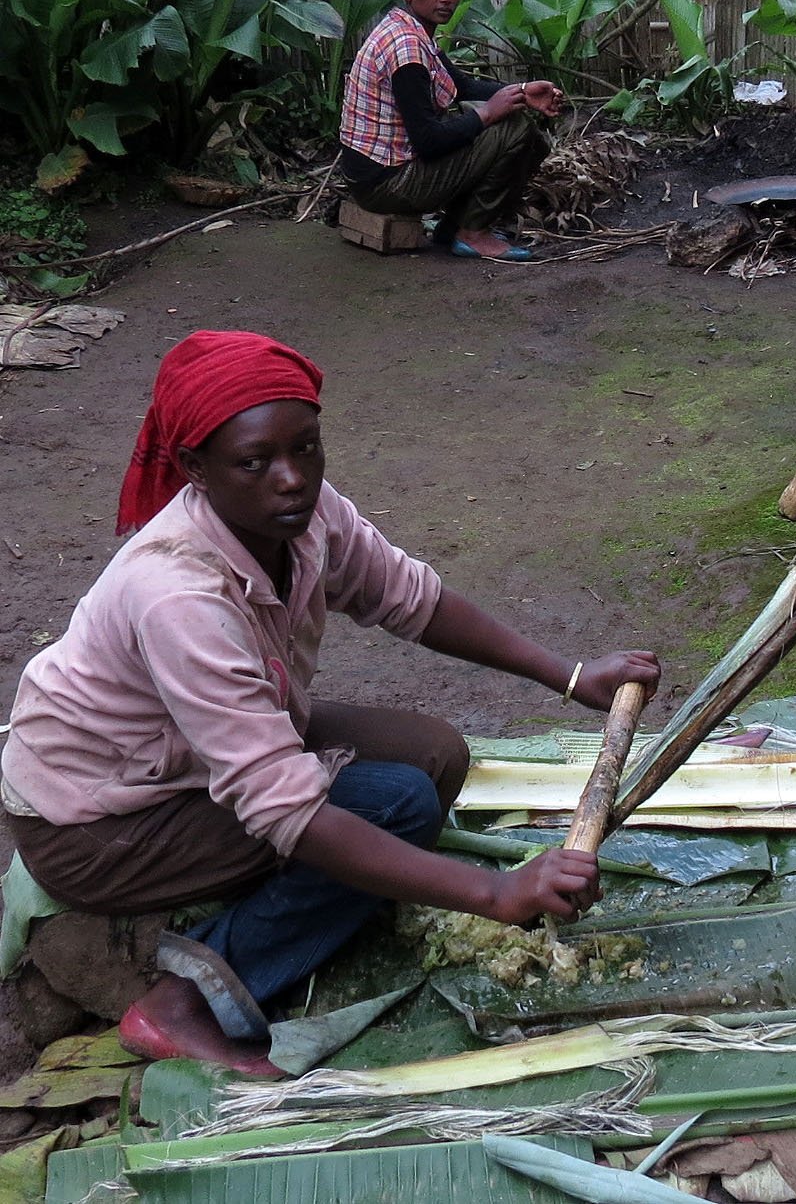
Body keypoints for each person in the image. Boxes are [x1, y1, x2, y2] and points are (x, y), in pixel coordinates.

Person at [0, 330, 660, 1073]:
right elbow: (284, 808)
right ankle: (185, 998)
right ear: (196, 469)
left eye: (306, 449)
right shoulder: (175, 592)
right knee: (396, 806)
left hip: (188, 758)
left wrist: (569, 675)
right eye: (254, 462)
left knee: (434, 754)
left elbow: (410, 597)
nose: (291, 479)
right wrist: (495, 890)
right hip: (97, 820)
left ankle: (309, 897)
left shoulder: (304, 515)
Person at [340, 0, 565, 261]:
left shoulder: (409, 30)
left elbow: (460, 86)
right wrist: (489, 112)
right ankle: (473, 232)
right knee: (514, 129)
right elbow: (428, 141)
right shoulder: (406, 49)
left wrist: (523, 91)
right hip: (385, 184)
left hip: (374, 175)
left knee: (530, 138)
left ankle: (453, 227)